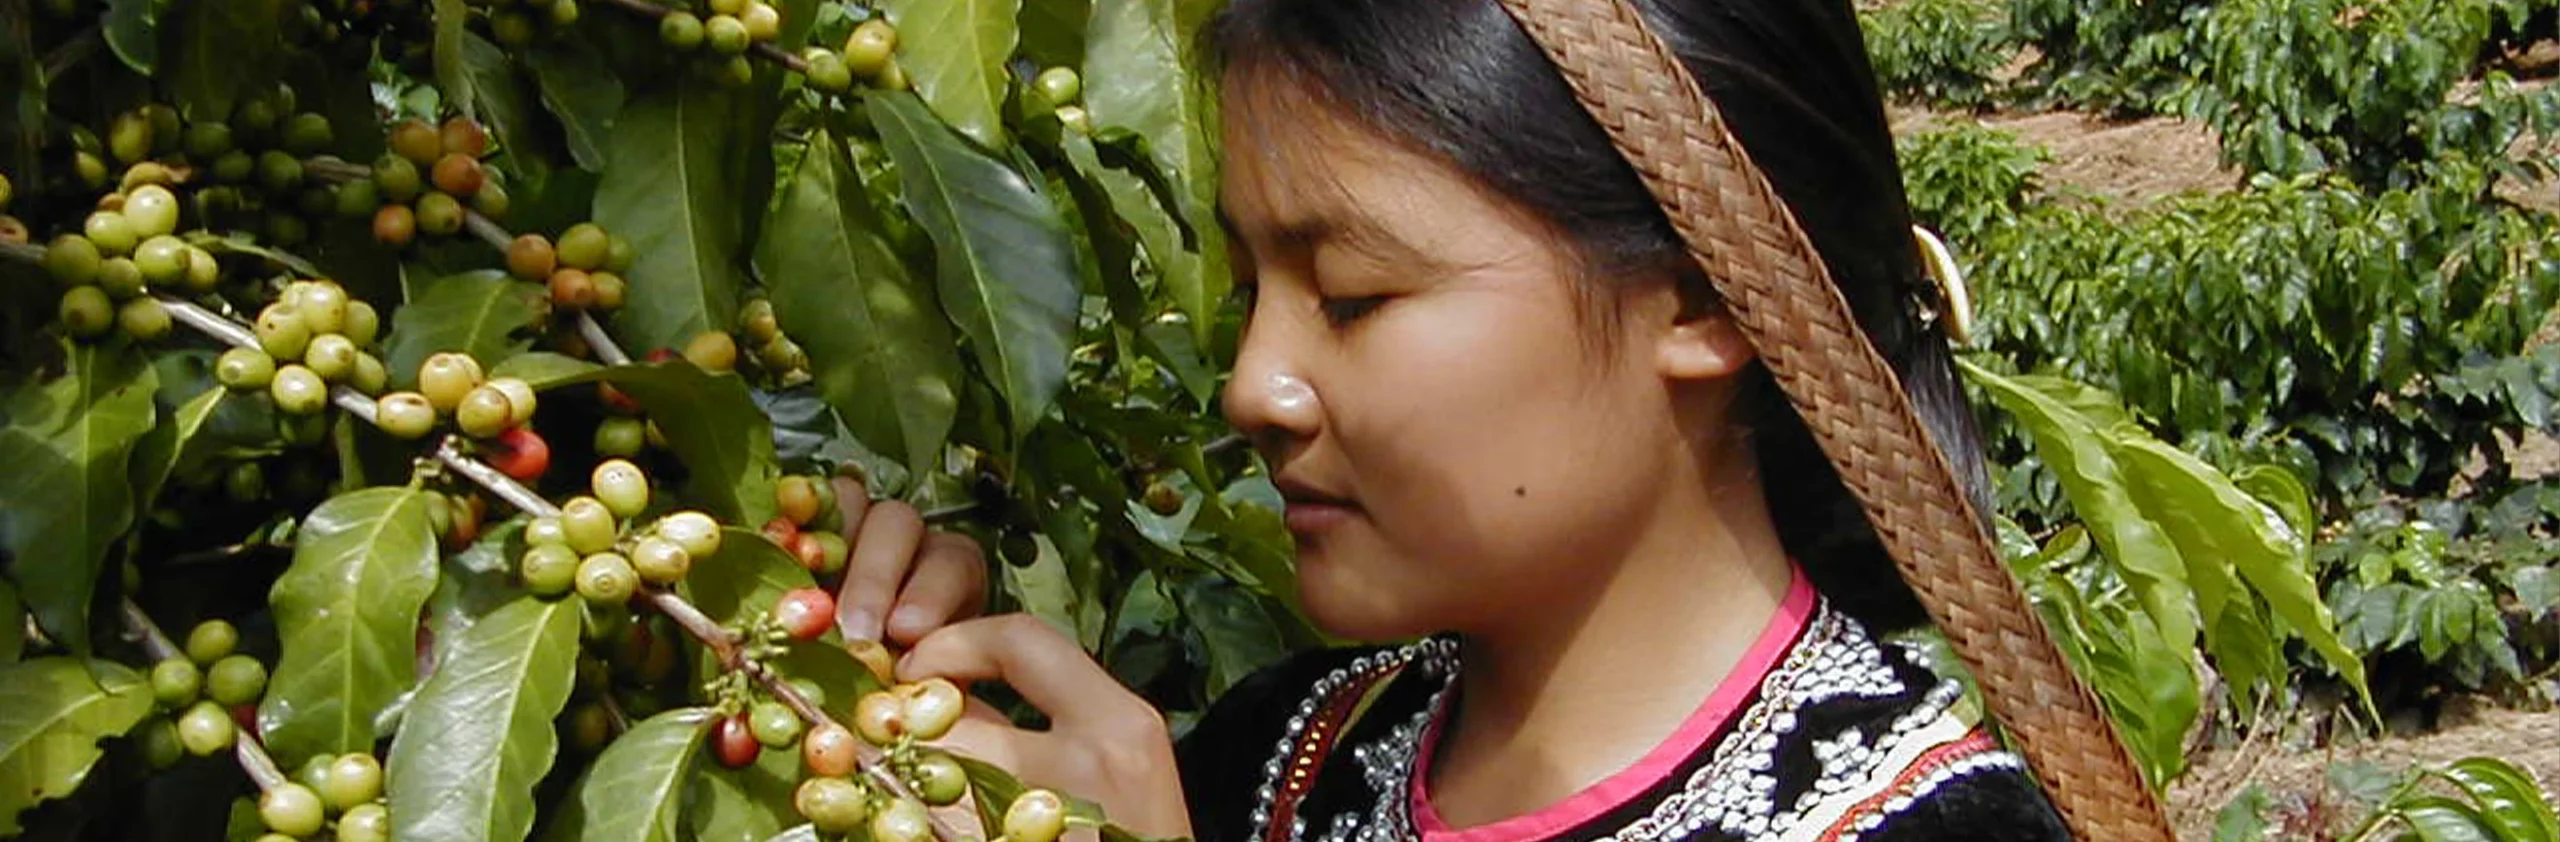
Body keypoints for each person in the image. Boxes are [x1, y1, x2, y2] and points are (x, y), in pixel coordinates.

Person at [825, 0, 2073, 839]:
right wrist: (852, 669)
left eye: (1355, 298)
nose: (1253, 385)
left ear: (1698, 297)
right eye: (1253, 289)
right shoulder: (1286, 753)